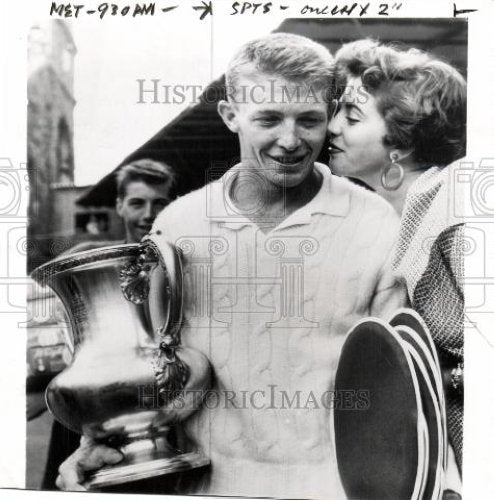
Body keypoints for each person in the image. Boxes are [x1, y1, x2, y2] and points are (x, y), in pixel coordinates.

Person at [56, 33, 406, 499]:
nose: (290, 140)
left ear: (329, 119)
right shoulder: (176, 227)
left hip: (333, 488)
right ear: (231, 116)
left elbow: (395, 382)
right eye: (269, 118)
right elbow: (141, 368)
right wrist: (96, 444)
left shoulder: (376, 221)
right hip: (207, 487)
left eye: (309, 120)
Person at [327, 39, 466, 488]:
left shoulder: (458, 201)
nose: (331, 128)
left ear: (400, 142)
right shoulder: (396, 217)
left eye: (351, 117)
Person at [41, 158, 175, 489]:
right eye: (137, 203)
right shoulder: (91, 254)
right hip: (96, 386)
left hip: (161, 387)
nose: (147, 212)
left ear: (172, 205)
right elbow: (48, 297)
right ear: (119, 206)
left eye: (158, 202)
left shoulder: (177, 259)